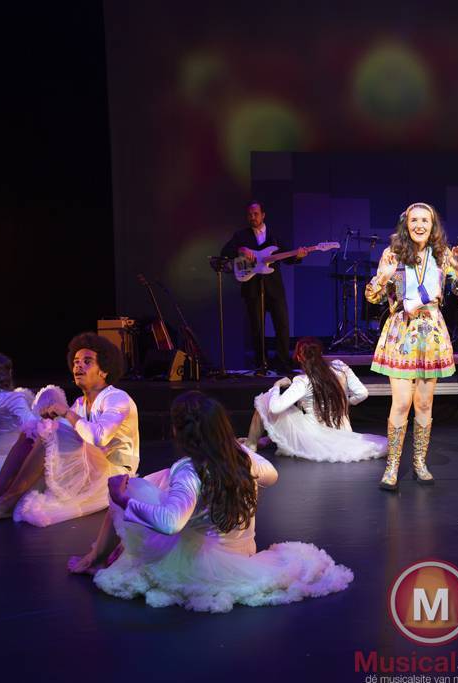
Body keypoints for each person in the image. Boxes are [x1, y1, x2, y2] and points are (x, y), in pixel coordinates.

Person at [68, 391, 353, 613]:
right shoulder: (240, 459)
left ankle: (96, 558)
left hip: (206, 564)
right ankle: (104, 551)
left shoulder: (189, 470)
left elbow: (170, 523)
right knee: (158, 481)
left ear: (179, 431)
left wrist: (122, 498)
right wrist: (237, 449)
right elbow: (272, 475)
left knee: (130, 488)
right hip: (245, 551)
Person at [0, 333, 139, 526]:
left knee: (51, 429)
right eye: (76, 362)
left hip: (115, 476)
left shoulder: (116, 398)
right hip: (90, 468)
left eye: (87, 361)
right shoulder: (80, 403)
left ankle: (6, 503)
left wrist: (65, 414)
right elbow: (71, 434)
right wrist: (51, 420)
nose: (78, 366)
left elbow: (99, 438)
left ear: (104, 371)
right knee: (34, 428)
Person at [365, 202, 458, 490]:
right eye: (414, 220)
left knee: (424, 403)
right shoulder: (393, 254)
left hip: (431, 334)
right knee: (402, 402)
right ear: (406, 224)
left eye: (425, 220)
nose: (419, 225)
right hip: (402, 333)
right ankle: (392, 467)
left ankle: (419, 463)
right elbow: (372, 296)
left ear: (433, 225)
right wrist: (384, 276)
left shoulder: (442, 256)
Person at [248, 337, 387, 461]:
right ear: (321, 353)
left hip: (314, 437)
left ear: (298, 358)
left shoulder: (303, 381)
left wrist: (276, 386)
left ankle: (251, 444)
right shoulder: (340, 367)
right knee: (292, 415)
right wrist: (346, 403)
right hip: (344, 432)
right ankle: (266, 440)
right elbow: (362, 393)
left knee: (265, 400)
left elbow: (275, 408)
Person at [220, 201, 306, 374]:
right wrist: (241, 249)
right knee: (257, 328)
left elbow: (288, 258)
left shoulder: (274, 237)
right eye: (250, 215)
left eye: (256, 214)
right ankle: (262, 364)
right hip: (252, 287)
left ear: (263, 215)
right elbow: (225, 253)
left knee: (282, 325)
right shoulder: (241, 236)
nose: (253, 217)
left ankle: (283, 363)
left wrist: (298, 256)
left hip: (274, 288)